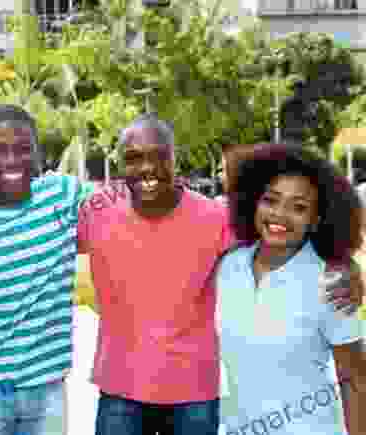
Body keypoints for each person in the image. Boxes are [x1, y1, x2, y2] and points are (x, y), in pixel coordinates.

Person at [76, 114, 363, 435]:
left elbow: (283, 231)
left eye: (159, 156)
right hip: (120, 390)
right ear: (117, 164)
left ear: (175, 160)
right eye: (133, 158)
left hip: (195, 396)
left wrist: (343, 261)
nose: (147, 168)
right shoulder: (95, 215)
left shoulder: (216, 219)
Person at [0, 104, 94, 435]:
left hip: (48, 388)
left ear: (38, 155)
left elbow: (121, 211)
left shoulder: (63, 194)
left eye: (23, 149)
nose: (11, 161)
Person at [215, 144, 365, 435]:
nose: (280, 215)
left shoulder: (333, 282)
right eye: (271, 200)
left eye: (299, 207)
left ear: (317, 219)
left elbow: (356, 379)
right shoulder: (228, 266)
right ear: (254, 202)